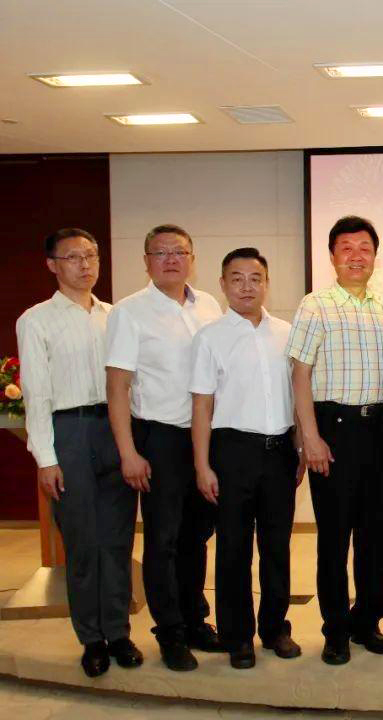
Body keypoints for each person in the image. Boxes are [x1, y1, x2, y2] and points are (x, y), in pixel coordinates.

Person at [16, 228, 141, 677]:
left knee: (118, 538)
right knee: (83, 543)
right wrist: (46, 459)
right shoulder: (36, 320)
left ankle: (119, 632)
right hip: (69, 431)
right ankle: (92, 638)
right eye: (72, 257)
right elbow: (36, 394)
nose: (85, 264)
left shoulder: (116, 316)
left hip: (117, 428)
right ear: (52, 265)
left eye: (91, 255)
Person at [105, 224, 223, 671]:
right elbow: (117, 387)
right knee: (163, 539)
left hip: (206, 436)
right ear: (146, 261)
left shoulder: (209, 304)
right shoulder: (129, 312)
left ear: (192, 258)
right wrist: (128, 452)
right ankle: (170, 633)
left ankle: (195, 621)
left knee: (198, 535)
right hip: (161, 438)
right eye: (161, 252)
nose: (171, 259)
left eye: (179, 251)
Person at [287, 216, 383, 665]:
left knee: (376, 536)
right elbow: (299, 374)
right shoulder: (315, 305)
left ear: (375, 256)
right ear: (332, 256)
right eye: (346, 248)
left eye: (364, 248)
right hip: (332, 430)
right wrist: (310, 437)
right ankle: (335, 630)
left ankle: (367, 622)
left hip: (376, 429)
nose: (356, 256)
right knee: (334, 538)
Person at [190, 248, 303, 669]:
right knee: (233, 549)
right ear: (223, 284)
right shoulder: (210, 338)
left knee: (277, 547)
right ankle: (238, 637)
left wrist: (299, 446)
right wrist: (202, 465)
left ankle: (275, 629)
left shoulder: (287, 333)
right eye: (236, 279)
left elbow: (298, 396)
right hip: (231, 453)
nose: (246, 287)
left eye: (255, 278)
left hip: (280, 452)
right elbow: (201, 406)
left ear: (267, 283)